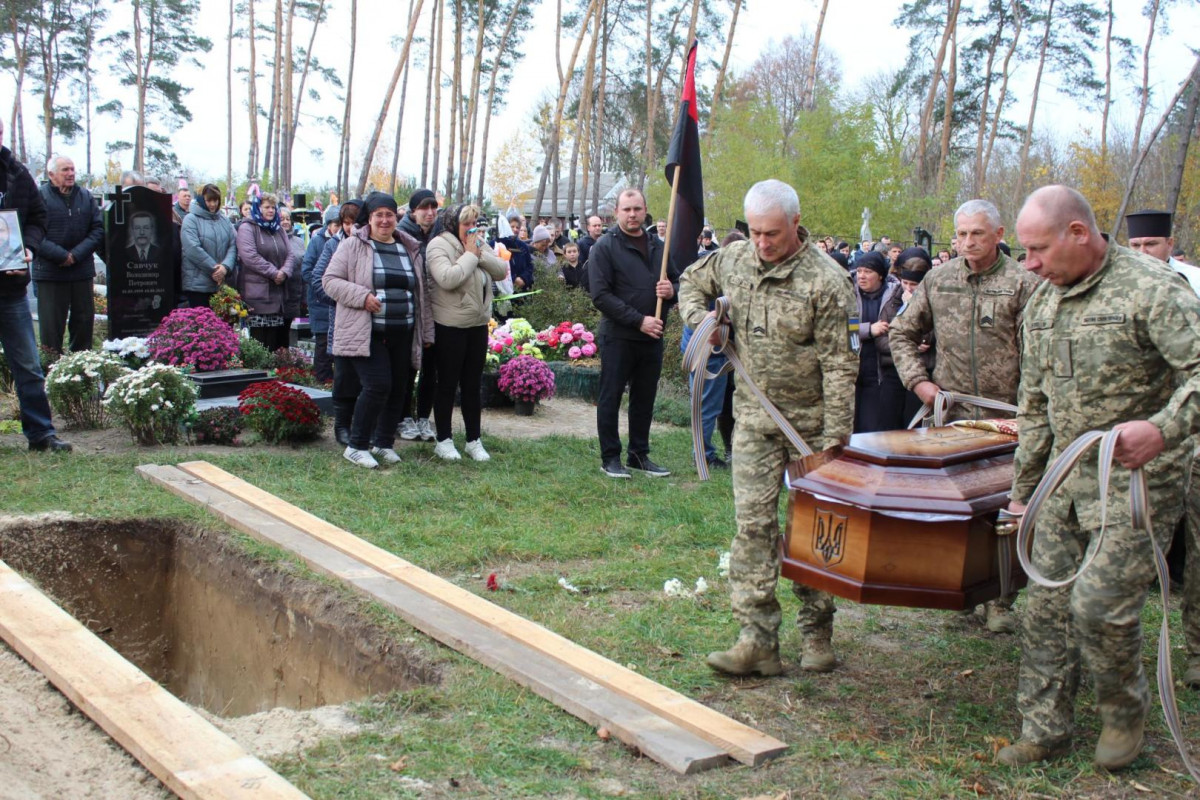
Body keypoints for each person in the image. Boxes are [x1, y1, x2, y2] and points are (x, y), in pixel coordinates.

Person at [996, 185, 1200, 770]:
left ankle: (1122, 712)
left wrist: (1161, 429)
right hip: (1064, 481)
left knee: (1099, 604)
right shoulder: (1042, 303)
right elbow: (1033, 407)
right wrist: (1022, 490)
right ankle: (1044, 728)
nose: (1028, 264)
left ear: (1078, 234)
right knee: (1047, 605)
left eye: (1037, 249)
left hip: (1137, 482)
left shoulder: (1152, 290)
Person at [679, 179, 857, 675]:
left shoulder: (827, 282)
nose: (762, 243)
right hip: (755, 421)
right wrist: (704, 321)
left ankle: (817, 631)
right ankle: (757, 640)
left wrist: (835, 444)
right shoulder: (735, 260)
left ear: (796, 224)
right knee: (752, 527)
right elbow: (690, 281)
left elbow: (842, 368)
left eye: (772, 233)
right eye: (755, 232)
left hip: (811, 429)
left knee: (813, 532)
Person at [889, 198, 1039, 633]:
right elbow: (902, 332)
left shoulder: (1023, 283)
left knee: (1004, 509)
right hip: (952, 413)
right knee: (959, 506)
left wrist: (1030, 407)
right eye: (961, 234)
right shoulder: (939, 280)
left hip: (1007, 417)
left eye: (977, 233)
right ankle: (962, 593)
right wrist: (919, 382)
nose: (968, 242)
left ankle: (1002, 599)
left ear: (999, 234)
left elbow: (1039, 352)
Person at [322, 192, 433, 469]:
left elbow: (422, 295)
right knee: (377, 385)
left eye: (389, 214)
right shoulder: (353, 245)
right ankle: (357, 445)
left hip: (403, 330)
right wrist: (362, 297)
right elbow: (330, 280)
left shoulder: (409, 247)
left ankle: (383, 443)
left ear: (397, 217)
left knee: (398, 388)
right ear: (369, 218)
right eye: (378, 215)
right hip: (367, 331)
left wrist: (427, 333)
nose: (385, 220)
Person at [589, 188, 678, 478]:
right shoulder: (605, 246)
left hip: (651, 338)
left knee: (644, 398)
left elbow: (677, 281)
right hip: (619, 336)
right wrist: (639, 320)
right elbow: (601, 295)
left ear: (645, 210)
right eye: (626, 209)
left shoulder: (658, 247)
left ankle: (639, 455)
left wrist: (672, 290)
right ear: (616, 212)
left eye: (637, 209)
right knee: (611, 397)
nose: (632, 215)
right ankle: (610, 458)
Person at [0, 119, 71, 452]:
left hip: (12, 290)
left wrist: (27, 247)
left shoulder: (16, 173)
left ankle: (41, 434)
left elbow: (38, 218)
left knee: (28, 364)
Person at [425, 203, 508, 462]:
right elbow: (448, 278)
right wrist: (471, 254)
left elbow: (501, 271)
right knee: (447, 384)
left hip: (477, 324)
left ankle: (474, 440)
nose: (472, 229)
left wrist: (477, 251)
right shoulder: (438, 245)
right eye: (467, 224)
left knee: (473, 385)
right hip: (450, 325)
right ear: (453, 224)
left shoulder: (476, 244)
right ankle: (444, 440)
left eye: (475, 224)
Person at [34, 156, 103, 354]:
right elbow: (33, 233)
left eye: (72, 169)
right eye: (65, 170)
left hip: (81, 270)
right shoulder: (39, 198)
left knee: (83, 324)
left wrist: (75, 255)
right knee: (51, 329)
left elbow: (97, 230)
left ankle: (82, 371)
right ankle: (50, 372)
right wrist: (61, 256)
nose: (71, 174)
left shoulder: (85, 196)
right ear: (51, 174)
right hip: (51, 273)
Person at [312, 200, 364, 445]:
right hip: (342, 319)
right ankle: (342, 424)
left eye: (356, 222)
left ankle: (363, 423)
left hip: (368, 320)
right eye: (346, 223)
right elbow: (318, 280)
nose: (351, 228)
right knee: (343, 374)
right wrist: (342, 300)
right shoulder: (334, 244)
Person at [396, 188, 442, 443]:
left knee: (431, 368)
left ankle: (424, 417)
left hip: (435, 311)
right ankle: (403, 417)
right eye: (424, 208)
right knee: (406, 368)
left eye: (433, 207)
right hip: (409, 310)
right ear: (413, 211)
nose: (430, 213)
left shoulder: (439, 234)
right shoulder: (401, 236)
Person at [235, 192, 297, 352]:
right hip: (257, 296)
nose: (271, 211)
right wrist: (274, 273)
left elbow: (290, 254)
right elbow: (249, 256)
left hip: (278, 295)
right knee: (259, 345)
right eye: (267, 207)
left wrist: (284, 272)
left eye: (273, 207)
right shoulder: (247, 228)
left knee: (274, 344)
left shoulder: (279, 230)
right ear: (258, 208)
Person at [852, 251, 905, 433]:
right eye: (859, 271)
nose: (862, 276)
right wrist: (868, 329)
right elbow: (841, 327)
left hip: (880, 372)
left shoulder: (894, 296)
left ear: (880, 275)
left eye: (867, 271)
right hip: (852, 369)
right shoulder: (850, 294)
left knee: (872, 427)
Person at [180, 183, 237, 311]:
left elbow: (232, 245)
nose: (213, 204)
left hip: (220, 284)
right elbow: (192, 248)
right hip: (198, 285)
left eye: (215, 200)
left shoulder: (224, 220)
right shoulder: (191, 219)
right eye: (209, 200)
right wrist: (215, 270)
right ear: (202, 200)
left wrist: (225, 267)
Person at [300, 204, 341, 383]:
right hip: (320, 301)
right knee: (323, 343)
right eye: (335, 225)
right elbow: (307, 270)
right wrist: (326, 288)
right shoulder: (318, 241)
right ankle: (322, 380)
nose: (338, 229)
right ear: (328, 225)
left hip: (338, 301)